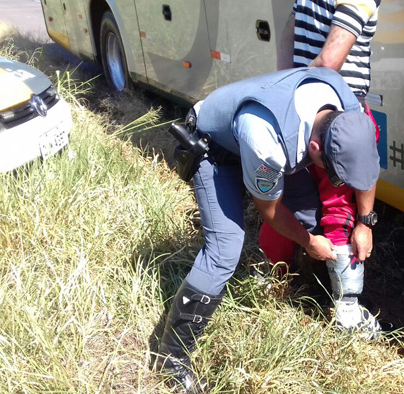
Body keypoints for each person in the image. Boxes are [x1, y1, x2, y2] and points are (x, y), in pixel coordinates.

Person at [157, 66, 379, 392]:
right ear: (315, 150)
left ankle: (314, 290)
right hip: (217, 148)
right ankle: (172, 356)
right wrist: (309, 242)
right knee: (225, 250)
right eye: (334, 172)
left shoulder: (347, 106)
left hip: (277, 140)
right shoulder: (266, 143)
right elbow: (271, 211)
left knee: (308, 213)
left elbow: (366, 169)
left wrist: (365, 222)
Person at [259, 0, 382, 332]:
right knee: (339, 206)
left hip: (295, 112)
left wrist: (287, 90)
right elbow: (330, 60)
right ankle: (347, 311)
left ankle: (273, 282)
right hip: (338, 113)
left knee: (284, 199)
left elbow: (290, 29)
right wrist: (365, 222)